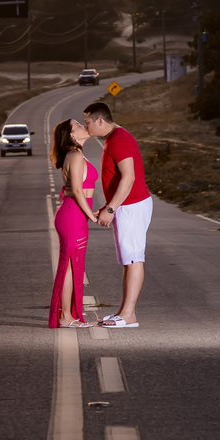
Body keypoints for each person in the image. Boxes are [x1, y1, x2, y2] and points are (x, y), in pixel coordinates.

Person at [83, 101, 152, 328]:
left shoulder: (119, 140)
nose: (86, 127)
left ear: (99, 120)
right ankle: (123, 312)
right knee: (128, 261)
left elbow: (129, 177)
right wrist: (108, 206)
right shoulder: (115, 138)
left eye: (87, 122)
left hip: (131, 206)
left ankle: (129, 315)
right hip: (127, 205)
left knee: (133, 259)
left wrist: (111, 209)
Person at [48, 119, 99, 328]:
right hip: (72, 215)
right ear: (71, 135)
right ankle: (66, 317)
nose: (83, 126)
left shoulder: (78, 154)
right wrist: (92, 216)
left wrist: (89, 213)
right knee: (69, 265)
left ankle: (67, 315)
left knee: (71, 265)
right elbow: (77, 190)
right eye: (78, 125)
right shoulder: (75, 155)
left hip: (76, 215)